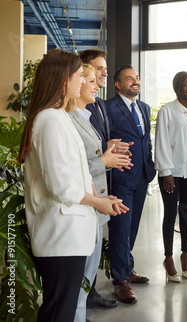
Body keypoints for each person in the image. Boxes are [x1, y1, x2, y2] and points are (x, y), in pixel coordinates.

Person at [18, 50, 127, 322]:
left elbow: (74, 174)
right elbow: (61, 186)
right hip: (60, 237)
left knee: (61, 310)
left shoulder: (57, 117)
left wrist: (98, 196)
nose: (84, 83)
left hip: (67, 236)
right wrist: (98, 202)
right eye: (80, 76)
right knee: (59, 312)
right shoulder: (50, 120)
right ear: (63, 80)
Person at [69, 64, 132, 321]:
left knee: (86, 278)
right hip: (83, 206)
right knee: (78, 282)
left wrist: (106, 149)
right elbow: (70, 170)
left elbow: (87, 154)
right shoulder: (66, 119)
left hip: (95, 205)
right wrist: (104, 161)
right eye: (91, 80)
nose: (97, 86)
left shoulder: (85, 115)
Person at [106, 64, 157, 303]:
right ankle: (120, 280)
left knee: (133, 227)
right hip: (121, 178)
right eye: (129, 79)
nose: (135, 82)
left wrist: (149, 163)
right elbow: (103, 140)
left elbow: (145, 140)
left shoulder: (144, 107)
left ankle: (127, 267)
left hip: (142, 177)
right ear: (118, 84)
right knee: (120, 228)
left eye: (137, 77)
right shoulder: (107, 108)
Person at [155, 72, 187, 282]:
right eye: (185, 85)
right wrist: (166, 171)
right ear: (177, 88)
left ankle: (185, 254)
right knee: (169, 214)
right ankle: (168, 257)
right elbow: (162, 142)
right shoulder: (166, 111)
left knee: (186, 212)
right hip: (170, 174)